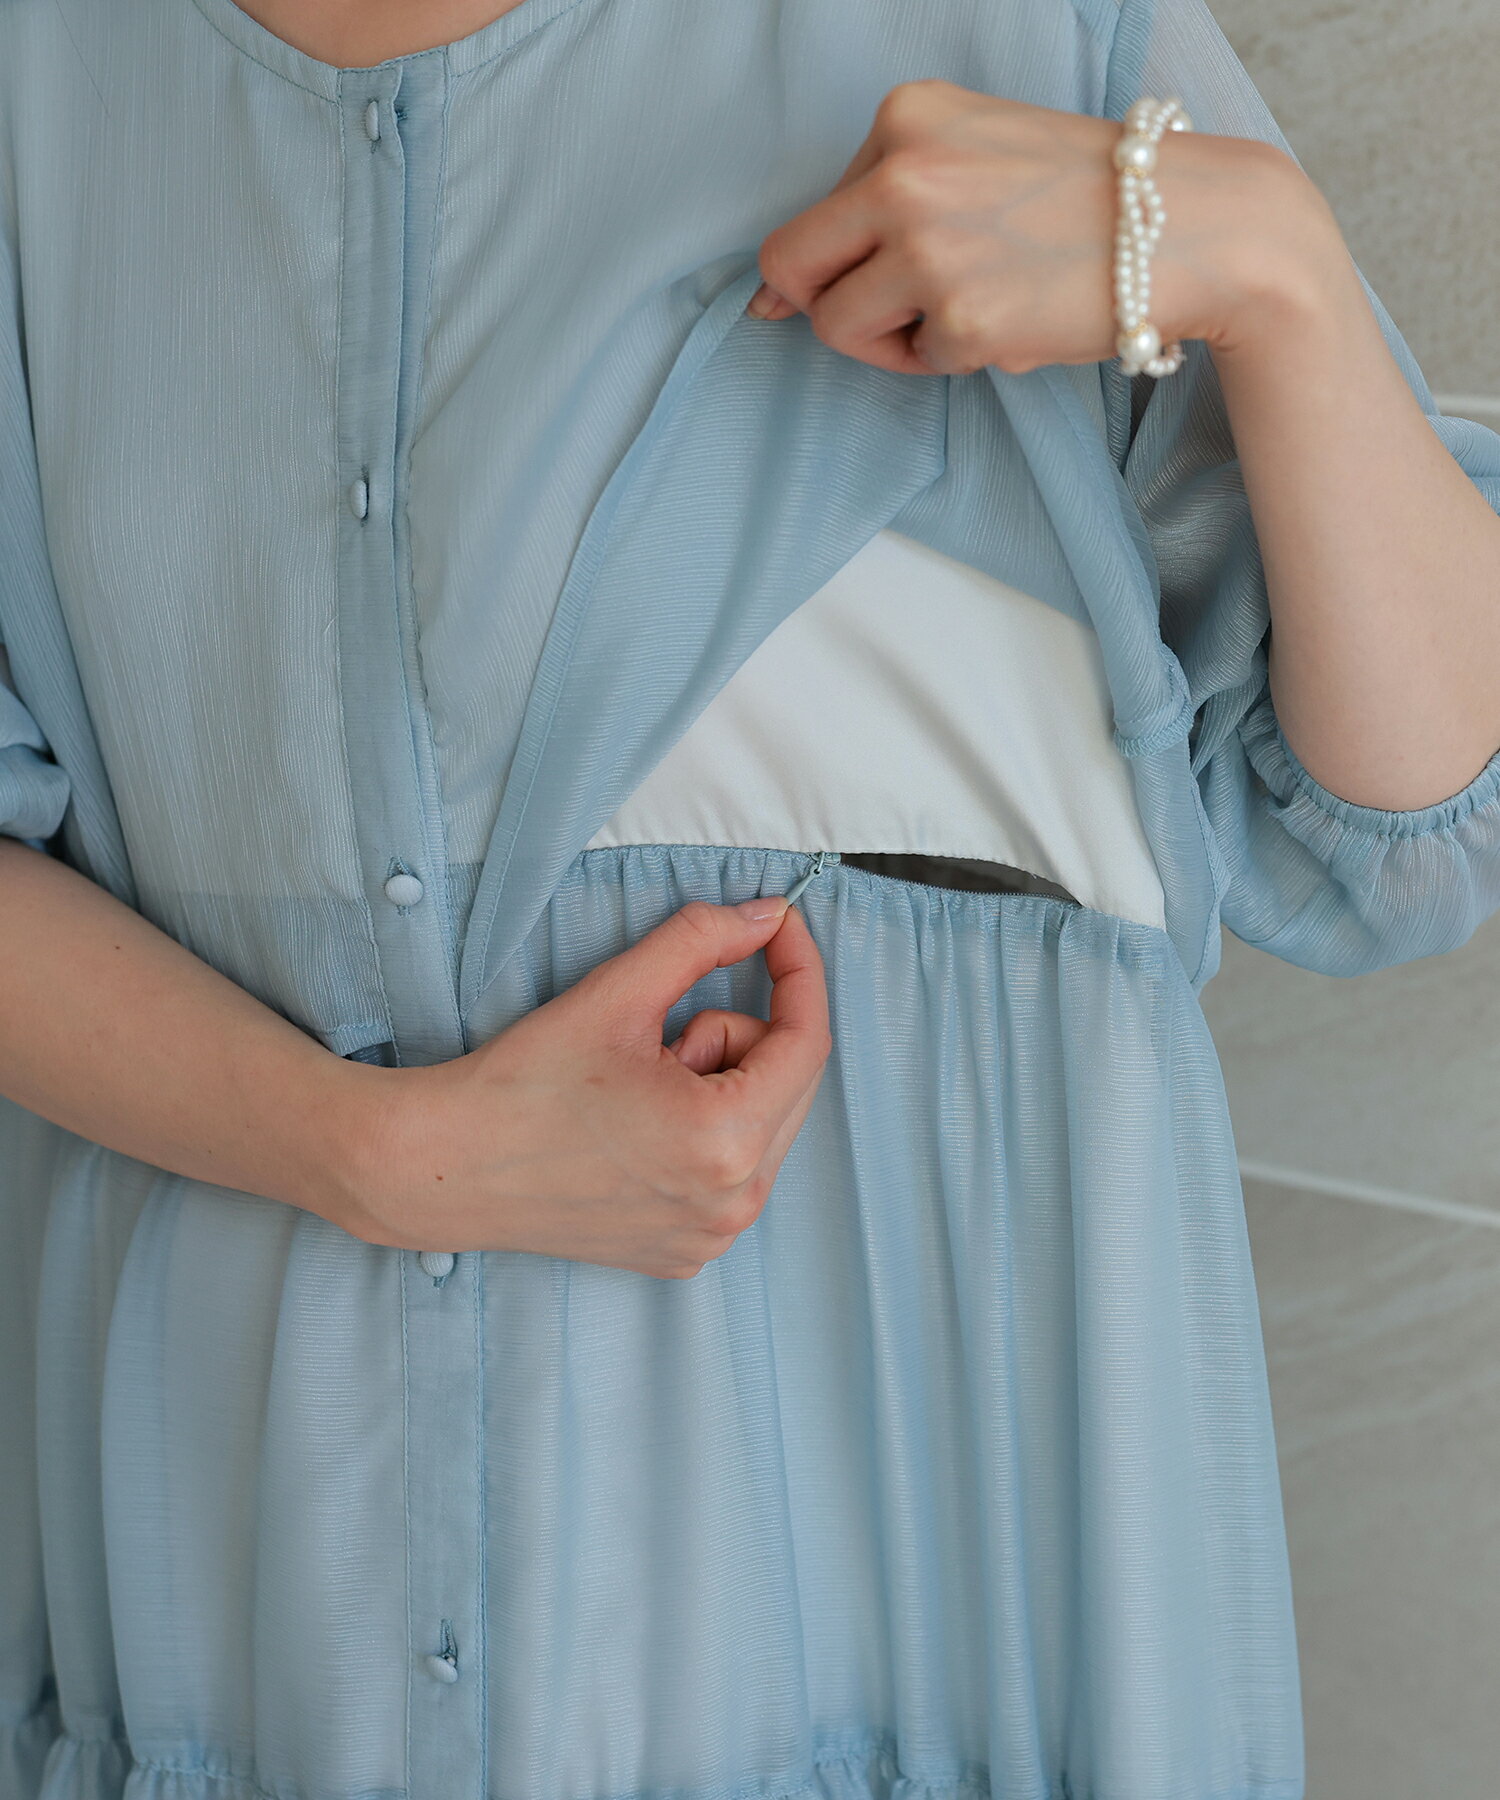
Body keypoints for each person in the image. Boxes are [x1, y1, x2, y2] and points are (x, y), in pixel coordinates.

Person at [3, 0, 1500, 1797]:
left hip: (922, 1562)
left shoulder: (1005, 24)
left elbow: (1406, 841)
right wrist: (377, 1152)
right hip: (258, 1556)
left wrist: (1270, 265)